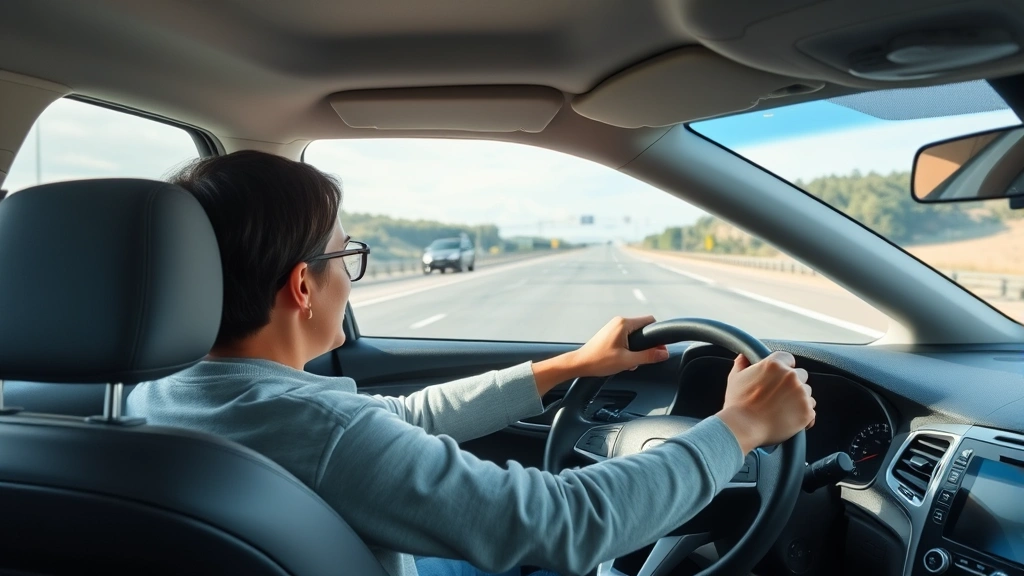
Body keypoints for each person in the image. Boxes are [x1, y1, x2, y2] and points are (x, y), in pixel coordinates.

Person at [127, 151, 816, 576]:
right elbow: (570, 523)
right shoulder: (318, 430)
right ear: (303, 287)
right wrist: (738, 429)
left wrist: (570, 366)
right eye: (346, 256)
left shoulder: (151, 397)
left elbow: (393, 418)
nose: (350, 273)